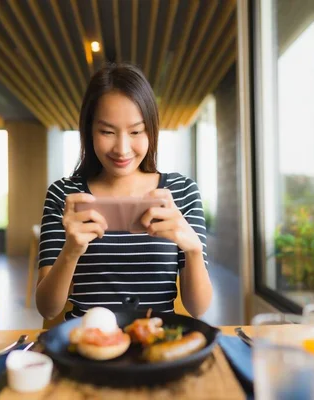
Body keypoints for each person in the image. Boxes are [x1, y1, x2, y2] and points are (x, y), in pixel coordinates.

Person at [35, 63, 212, 321]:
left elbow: (198, 308)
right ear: (89, 131)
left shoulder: (181, 192)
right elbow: (47, 308)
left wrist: (193, 249)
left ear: (151, 131)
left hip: (156, 348)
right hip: (86, 349)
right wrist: (71, 250)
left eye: (136, 132)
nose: (122, 148)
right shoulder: (65, 195)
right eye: (107, 131)